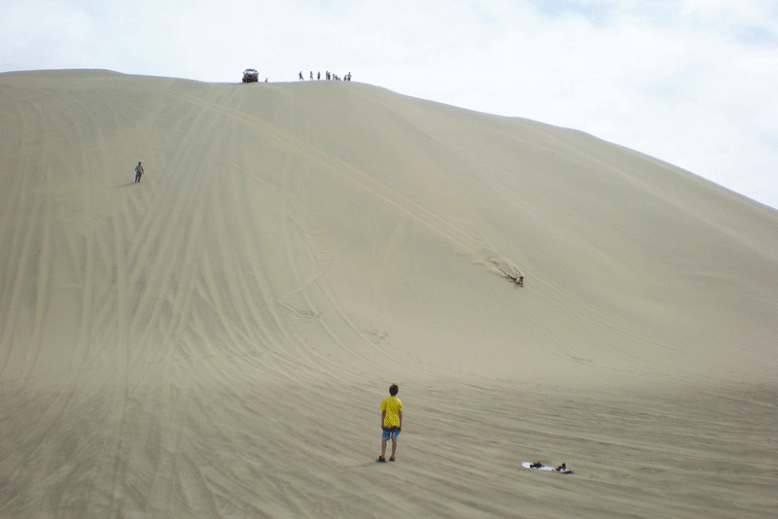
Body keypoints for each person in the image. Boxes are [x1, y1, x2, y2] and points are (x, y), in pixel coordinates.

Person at [377, 384, 403, 462]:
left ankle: (383, 456)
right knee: (394, 440)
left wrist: (382, 423)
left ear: (389, 391)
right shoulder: (398, 401)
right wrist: (400, 425)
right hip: (396, 424)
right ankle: (392, 456)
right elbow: (400, 414)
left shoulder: (385, 400)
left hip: (387, 424)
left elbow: (383, 412)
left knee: (384, 440)